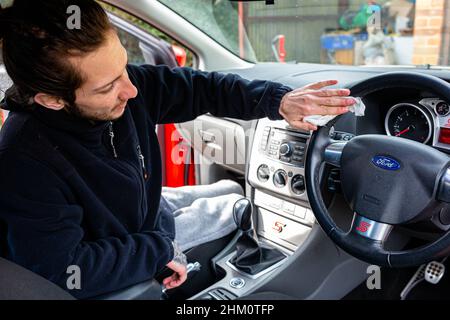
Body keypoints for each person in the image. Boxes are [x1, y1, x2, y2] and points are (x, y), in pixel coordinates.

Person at [0, 0, 355, 299]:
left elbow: (201, 89)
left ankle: (227, 201)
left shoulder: (126, 84)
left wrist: (277, 101)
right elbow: (64, 270)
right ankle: (233, 210)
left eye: (124, 66)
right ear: (52, 100)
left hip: (145, 211)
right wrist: (158, 251)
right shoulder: (24, 162)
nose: (132, 90)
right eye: (109, 86)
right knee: (237, 207)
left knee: (231, 187)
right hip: (131, 240)